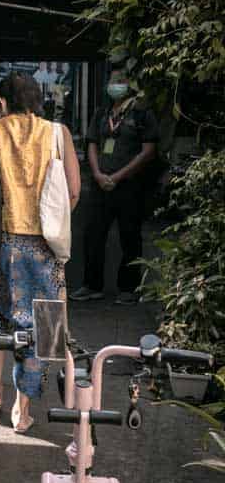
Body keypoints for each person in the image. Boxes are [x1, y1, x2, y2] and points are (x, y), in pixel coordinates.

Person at [0, 72, 81, 433]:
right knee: (46, 325)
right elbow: (73, 190)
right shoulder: (58, 133)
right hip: (44, 245)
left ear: (2, 101)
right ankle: (23, 406)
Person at [69, 66, 158, 305]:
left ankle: (128, 288)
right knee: (93, 234)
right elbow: (92, 144)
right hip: (101, 183)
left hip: (129, 185)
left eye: (120, 80)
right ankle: (92, 285)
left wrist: (118, 176)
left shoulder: (141, 113)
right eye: (112, 79)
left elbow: (148, 151)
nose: (115, 84)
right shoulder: (102, 112)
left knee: (129, 236)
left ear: (131, 85)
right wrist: (97, 173)